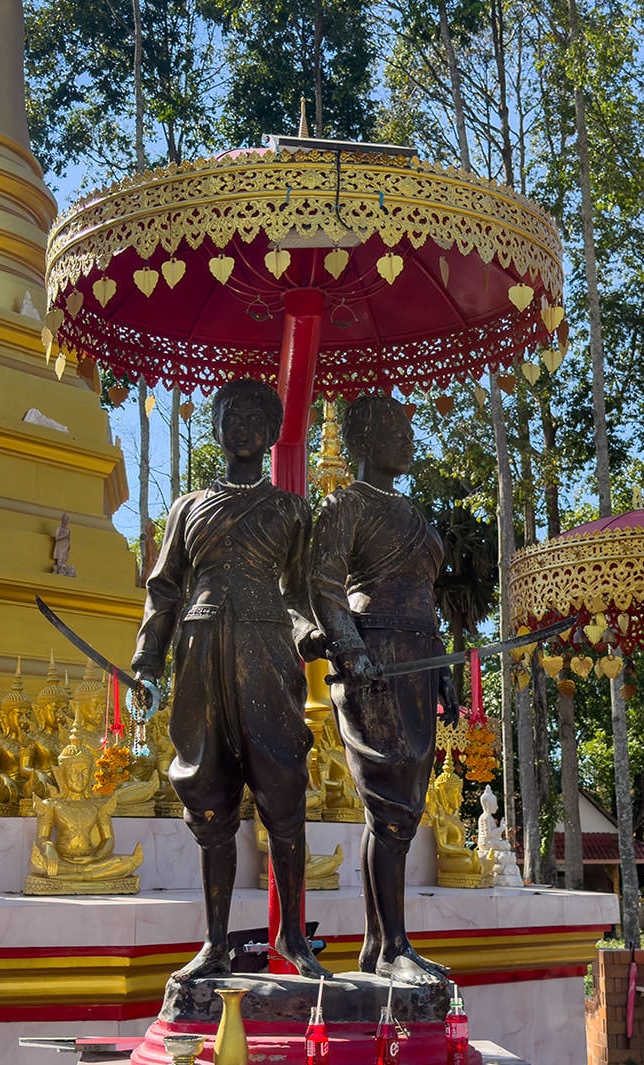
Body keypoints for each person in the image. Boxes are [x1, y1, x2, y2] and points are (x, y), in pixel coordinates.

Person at [131, 378, 327, 981]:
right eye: (229, 415)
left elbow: (301, 593)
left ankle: (292, 936)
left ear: (272, 434)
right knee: (208, 797)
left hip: (266, 649)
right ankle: (216, 942)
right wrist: (147, 657)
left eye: (253, 417)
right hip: (201, 648)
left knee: (283, 788)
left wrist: (310, 633)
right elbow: (164, 588)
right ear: (215, 428)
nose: (240, 425)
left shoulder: (293, 511)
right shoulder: (188, 507)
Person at [310, 393, 457, 986]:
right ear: (365, 440)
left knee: (405, 807)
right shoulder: (345, 505)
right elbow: (321, 586)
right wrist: (350, 648)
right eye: (394, 430)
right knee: (389, 805)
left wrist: (441, 661)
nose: (407, 440)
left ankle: (381, 945)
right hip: (374, 656)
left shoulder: (410, 510)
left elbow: (425, 598)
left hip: (417, 656)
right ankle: (392, 944)